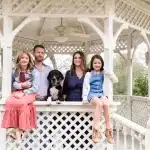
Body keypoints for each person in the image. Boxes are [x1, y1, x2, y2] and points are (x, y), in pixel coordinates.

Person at [1, 50, 38, 143]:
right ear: (19, 59)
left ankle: (20, 131)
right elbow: (13, 83)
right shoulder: (15, 71)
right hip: (18, 91)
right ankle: (14, 129)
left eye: (26, 58)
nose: (24, 60)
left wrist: (24, 92)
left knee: (21, 103)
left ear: (29, 60)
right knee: (9, 102)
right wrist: (21, 85)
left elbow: (35, 87)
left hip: (30, 92)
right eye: (22, 58)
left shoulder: (33, 71)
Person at [82, 54, 118, 144]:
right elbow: (85, 86)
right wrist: (84, 97)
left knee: (106, 104)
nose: (97, 64)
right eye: (95, 63)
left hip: (101, 94)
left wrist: (110, 73)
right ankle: (95, 131)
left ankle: (108, 130)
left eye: (99, 63)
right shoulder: (89, 74)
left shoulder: (103, 73)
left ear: (102, 64)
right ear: (92, 64)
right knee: (99, 104)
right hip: (92, 94)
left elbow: (115, 80)